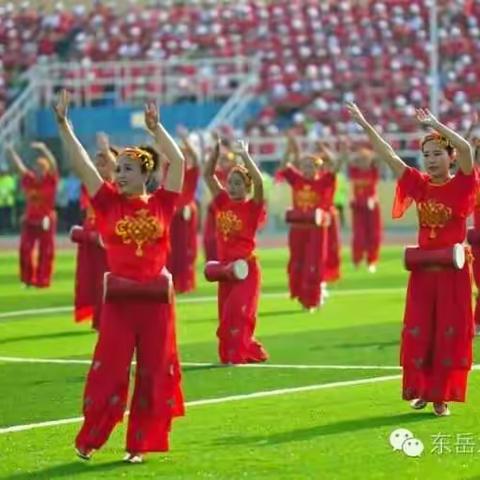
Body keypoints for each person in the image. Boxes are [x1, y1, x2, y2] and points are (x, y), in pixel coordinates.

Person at [53, 89, 185, 462]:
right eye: (118, 170)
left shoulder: (163, 203)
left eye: (128, 169)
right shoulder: (106, 201)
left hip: (156, 303)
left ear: (146, 174)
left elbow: (178, 161)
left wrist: (157, 131)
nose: (119, 175)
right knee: (108, 371)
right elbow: (82, 164)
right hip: (120, 303)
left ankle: (138, 445)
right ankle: (91, 437)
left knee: (152, 373)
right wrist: (65, 127)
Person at [347, 101, 475, 417]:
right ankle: (421, 389)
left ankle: (441, 397)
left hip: (452, 271)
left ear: (451, 158)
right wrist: (365, 125)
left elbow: (467, 148)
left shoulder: (462, 184)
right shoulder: (419, 184)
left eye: (437, 154)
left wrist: (436, 124)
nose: (431, 160)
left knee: (448, 331)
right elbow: (390, 156)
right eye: (427, 155)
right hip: (423, 272)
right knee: (421, 331)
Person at [204, 137, 268, 364]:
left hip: (246, 269)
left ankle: (239, 354)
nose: (232, 187)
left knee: (238, 313)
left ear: (246, 187)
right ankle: (241, 351)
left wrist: (245, 157)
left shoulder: (252, 207)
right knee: (225, 317)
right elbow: (208, 176)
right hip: (225, 270)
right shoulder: (222, 202)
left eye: (238, 183)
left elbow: (260, 183)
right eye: (230, 182)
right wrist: (214, 155)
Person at [277, 133, 336, 310]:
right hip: (297, 229)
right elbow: (283, 166)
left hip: (316, 231)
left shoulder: (324, 181)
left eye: (310, 166)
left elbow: (335, 165)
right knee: (297, 262)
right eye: (304, 166)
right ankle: (300, 294)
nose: (306, 169)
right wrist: (288, 149)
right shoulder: (297, 180)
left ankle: (313, 298)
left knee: (314, 263)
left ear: (318, 169)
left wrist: (325, 149)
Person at [73, 132, 117, 330]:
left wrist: (106, 150)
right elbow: (83, 167)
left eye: (104, 163)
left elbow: (116, 170)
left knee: (107, 279)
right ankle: (99, 319)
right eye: (97, 163)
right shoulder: (91, 187)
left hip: (110, 240)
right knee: (91, 280)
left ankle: (106, 319)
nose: (99, 167)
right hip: (92, 238)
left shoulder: (117, 187)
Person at [6, 142, 58, 287]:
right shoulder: (29, 180)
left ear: (46, 170)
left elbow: (54, 165)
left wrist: (44, 149)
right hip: (30, 220)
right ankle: (27, 279)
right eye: (37, 168)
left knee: (46, 251)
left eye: (42, 168)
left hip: (46, 220)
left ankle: (43, 280)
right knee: (25, 249)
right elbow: (19, 168)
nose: (39, 170)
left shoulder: (50, 181)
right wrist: (11, 152)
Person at [167, 127, 200, 293]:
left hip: (186, 214)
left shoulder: (191, 173)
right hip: (172, 215)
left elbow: (196, 159)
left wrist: (186, 140)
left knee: (187, 250)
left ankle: (185, 283)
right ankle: (172, 281)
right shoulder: (169, 172)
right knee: (171, 250)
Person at [347, 147, 382, 272]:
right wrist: (356, 156)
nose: (363, 162)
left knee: (374, 236)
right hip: (358, 207)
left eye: (366, 160)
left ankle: (371, 261)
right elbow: (348, 158)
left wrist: (371, 153)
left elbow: (380, 157)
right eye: (361, 160)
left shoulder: (373, 171)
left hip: (372, 207)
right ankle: (357, 260)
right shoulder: (354, 171)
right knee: (358, 236)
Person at [203, 133, 235, 261]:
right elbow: (207, 171)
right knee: (209, 242)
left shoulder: (234, 171)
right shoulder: (216, 172)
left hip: (229, 212)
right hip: (215, 211)